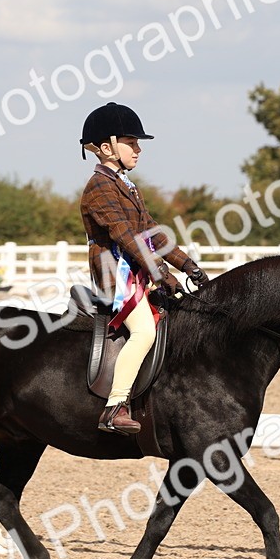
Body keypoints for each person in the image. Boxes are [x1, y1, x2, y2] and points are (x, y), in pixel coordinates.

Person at [79, 102, 207, 434]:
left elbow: (151, 231)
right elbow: (125, 235)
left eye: (138, 144)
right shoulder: (99, 187)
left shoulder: (127, 185)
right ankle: (114, 406)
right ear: (107, 147)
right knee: (144, 331)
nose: (138, 149)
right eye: (131, 142)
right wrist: (160, 272)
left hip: (137, 272)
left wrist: (187, 264)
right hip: (116, 276)